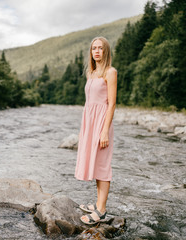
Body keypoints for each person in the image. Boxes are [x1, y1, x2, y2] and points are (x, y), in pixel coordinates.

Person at [75, 36, 117, 225]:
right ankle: (98, 204)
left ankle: (101, 211)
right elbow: (89, 103)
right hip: (90, 123)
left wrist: (104, 131)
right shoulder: (91, 73)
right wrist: (85, 130)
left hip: (102, 123)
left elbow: (111, 104)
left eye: (100, 48)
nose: (97, 51)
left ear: (106, 51)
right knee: (94, 162)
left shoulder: (110, 72)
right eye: (94, 48)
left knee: (102, 166)